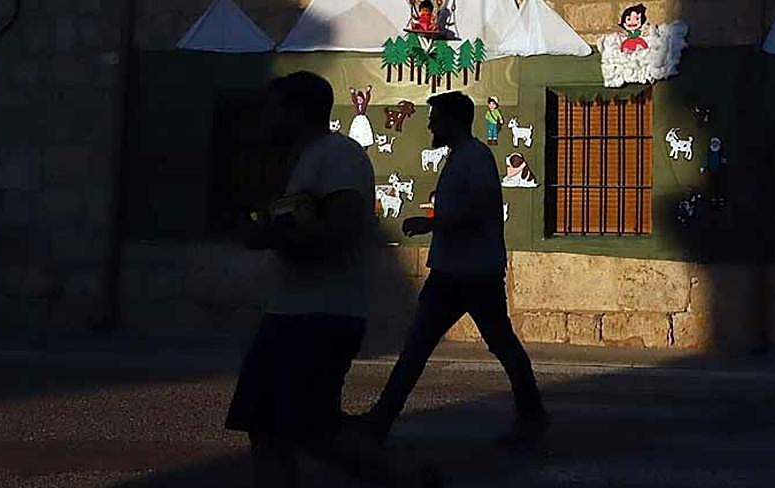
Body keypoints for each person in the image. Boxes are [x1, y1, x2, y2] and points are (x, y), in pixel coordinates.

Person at [225, 71, 437, 488]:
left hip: (320, 315)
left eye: (274, 111)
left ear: (297, 112)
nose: (266, 122)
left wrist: (275, 236)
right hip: (289, 312)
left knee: (313, 429)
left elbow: (343, 229)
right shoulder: (300, 161)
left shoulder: (338, 154)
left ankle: (406, 482)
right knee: (265, 426)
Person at [349, 91, 549, 446]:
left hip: (473, 273)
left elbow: (482, 209)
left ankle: (532, 416)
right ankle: (381, 419)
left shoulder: (475, 157)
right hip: (454, 270)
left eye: (435, 119)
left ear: (454, 122)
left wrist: (432, 224)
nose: (430, 125)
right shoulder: (461, 158)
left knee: (493, 343)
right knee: (420, 346)